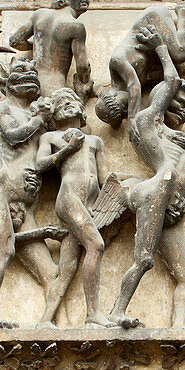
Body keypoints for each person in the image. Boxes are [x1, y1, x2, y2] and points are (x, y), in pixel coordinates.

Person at [108, 27, 185, 329]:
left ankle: (180, 329)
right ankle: (116, 312)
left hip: (172, 204)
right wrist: (160, 47)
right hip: (158, 191)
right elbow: (170, 80)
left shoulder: (170, 137)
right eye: (181, 101)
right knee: (144, 259)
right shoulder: (145, 122)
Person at [0, 57, 58, 329]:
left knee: (52, 273)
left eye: (33, 71)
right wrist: (40, 119)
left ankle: (51, 324)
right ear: (4, 79)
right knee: (2, 252)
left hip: (26, 204)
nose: (30, 75)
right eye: (21, 70)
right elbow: (13, 135)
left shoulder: (38, 118)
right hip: (1, 191)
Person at [33, 88, 114, 327]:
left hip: (90, 204)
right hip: (69, 200)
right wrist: (68, 148)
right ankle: (92, 313)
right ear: (55, 114)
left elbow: (105, 176)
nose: (66, 106)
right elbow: (40, 164)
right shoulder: (51, 138)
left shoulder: (95, 141)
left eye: (71, 102)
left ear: (81, 109)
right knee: (96, 245)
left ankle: (45, 319)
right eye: (60, 105)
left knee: (67, 268)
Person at [95, 0, 185, 128]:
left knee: (181, 54)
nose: (126, 109)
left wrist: (133, 118)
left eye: (123, 106)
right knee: (184, 67)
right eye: (124, 113)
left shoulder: (117, 63)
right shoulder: (142, 81)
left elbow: (134, 86)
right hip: (156, 42)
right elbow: (168, 74)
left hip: (151, 20)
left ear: (114, 95)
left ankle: (184, 12)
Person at [9, 0, 94, 97]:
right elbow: (83, 66)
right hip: (53, 85)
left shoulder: (39, 15)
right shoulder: (76, 26)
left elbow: (15, 41)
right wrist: (85, 83)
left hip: (31, 78)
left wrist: (40, 46)